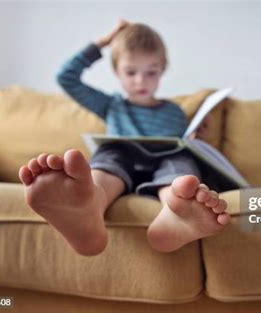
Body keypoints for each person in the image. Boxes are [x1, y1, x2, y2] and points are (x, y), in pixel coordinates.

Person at [18, 19, 230, 256]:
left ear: (162, 70)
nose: (141, 80)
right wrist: (104, 42)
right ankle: (89, 205)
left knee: (180, 162)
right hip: (122, 160)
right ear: (117, 71)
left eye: (151, 72)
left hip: (163, 161)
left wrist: (195, 136)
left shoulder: (174, 111)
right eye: (131, 72)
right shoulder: (111, 105)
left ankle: (176, 210)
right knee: (111, 155)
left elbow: (182, 140)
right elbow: (65, 77)